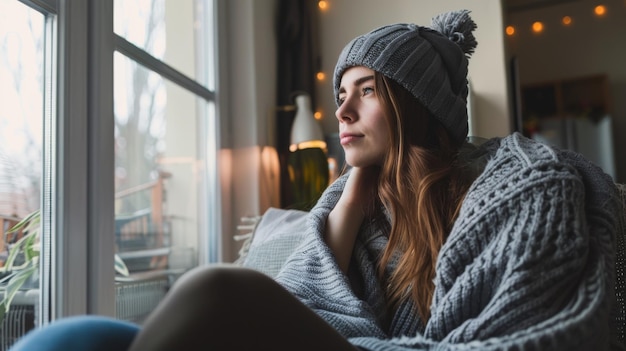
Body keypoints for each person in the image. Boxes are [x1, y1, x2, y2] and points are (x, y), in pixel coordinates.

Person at [10, 9, 623, 351]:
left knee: (215, 293)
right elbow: (304, 297)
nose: (344, 113)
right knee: (70, 339)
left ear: (416, 104)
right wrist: (353, 192)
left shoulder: (525, 180)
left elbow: (528, 337)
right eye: (340, 96)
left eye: (368, 91)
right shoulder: (360, 200)